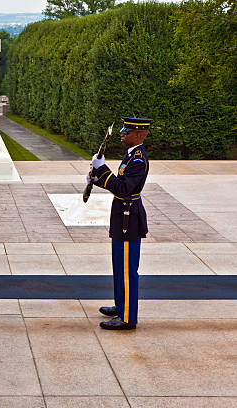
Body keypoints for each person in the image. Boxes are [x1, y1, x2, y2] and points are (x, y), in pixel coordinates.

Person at [88, 117, 152, 330]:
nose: (122, 133)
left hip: (128, 219)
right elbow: (119, 184)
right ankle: (121, 305)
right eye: (123, 130)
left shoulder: (138, 160)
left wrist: (102, 169)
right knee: (119, 266)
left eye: (127, 131)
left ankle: (127, 318)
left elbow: (124, 189)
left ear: (139, 135)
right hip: (122, 215)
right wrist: (97, 179)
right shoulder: (131, 155)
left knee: (127, 270)